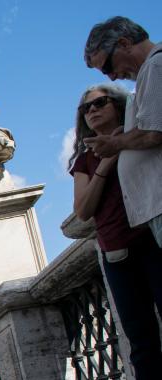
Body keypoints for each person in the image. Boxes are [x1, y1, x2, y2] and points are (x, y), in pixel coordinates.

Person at [70, 76, 162, 380]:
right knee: (140, 337)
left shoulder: (140, 134)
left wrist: (118, 147)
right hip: (115, 250)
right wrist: (104, 165)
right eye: (86, 107)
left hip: (151, 237)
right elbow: (83, 211)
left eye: (100, 102)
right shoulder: (84, 157)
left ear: (118, 104)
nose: (93, 110)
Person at [84, 18, 162, 248]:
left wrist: (115, 143)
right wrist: (125, 136)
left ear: (124, 43)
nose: (113, 77)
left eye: (108, 67)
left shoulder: (154, 67)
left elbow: (153, 133)